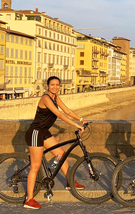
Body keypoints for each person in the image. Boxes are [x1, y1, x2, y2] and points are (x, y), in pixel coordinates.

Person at [24, 76, 86, 210]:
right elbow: (60, 114)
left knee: (61, 154)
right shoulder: (46, 98)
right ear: (47, 86)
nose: (55, 87)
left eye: (57, 85)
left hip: (44, 132)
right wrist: (76, 125)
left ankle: (70, 182)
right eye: (52, 85)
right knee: (35, 166)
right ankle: (29, 200)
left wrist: (81, 119)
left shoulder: (56, 97)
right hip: (35, 132)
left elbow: (67, 111)